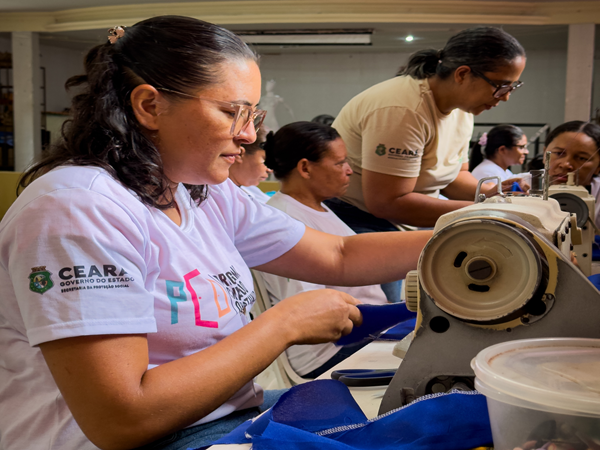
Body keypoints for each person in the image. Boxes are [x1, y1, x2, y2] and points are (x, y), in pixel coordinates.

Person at [0, 16, 433, 450]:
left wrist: (463, 235)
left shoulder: (199, 191)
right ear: (149, 106)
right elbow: (122, 417)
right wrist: (285, 323)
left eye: (252, 114)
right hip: (139, 438)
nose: (249, 134)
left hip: (220, 414)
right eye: (232, 112)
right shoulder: (77, 208)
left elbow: (338, 254)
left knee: (412, 417)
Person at [327, 26, 527, 235]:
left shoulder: (463, 109)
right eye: (501, 86)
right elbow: (386, 203)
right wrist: (484, 210)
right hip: (356, 216)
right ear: (463, 74)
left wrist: (491, 193)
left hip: (402, 218)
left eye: (513, 87)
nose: (505, 97)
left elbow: (455, 175)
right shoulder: (404, 110)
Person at [259, 121, 390, 379]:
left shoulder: (319, 208)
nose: (349, 171)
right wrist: (396, 315)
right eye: (340, 163)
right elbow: (309, 314)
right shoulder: (285, 219)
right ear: (305, 168)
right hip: (327, 352)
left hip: (359, 331)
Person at [545, 121, 600, 228]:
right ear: (544, 153)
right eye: (558, 153)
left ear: (598, 167)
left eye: (581, 158)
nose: (566, 165)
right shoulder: (518, 185)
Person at [228, 127, 272, 203]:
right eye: (265, 160)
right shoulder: (216, 195)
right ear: (239, 154)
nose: (270, 170)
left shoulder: (250, 190)